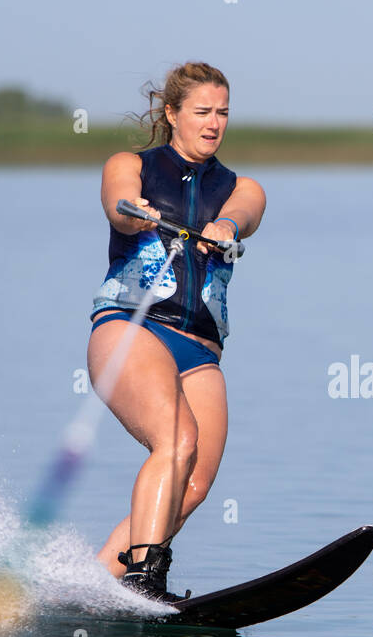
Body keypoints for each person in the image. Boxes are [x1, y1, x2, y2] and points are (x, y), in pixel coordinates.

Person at [87, 62, 266, 602]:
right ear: (172, 114)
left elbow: (244, 213)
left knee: (195, 482)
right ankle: (145, 579)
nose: (214, 123)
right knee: (176, 441)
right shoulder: (131, 165)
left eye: (223, 113)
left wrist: (226, 226)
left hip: (200, 353)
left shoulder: (242, 187)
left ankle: (94, 587)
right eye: (202, 112)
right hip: (131, 329)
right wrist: (133, 214)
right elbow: (118, 201)